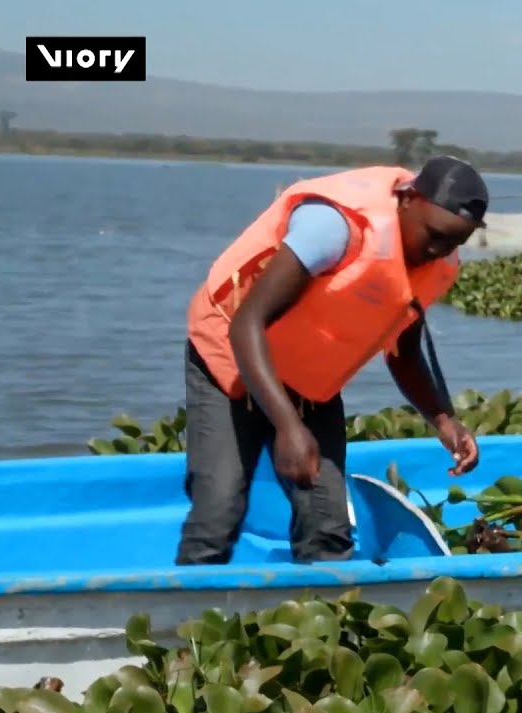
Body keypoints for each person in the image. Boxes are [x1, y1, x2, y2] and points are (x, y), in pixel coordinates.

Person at [176, 155, 489, 565]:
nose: (439, 250)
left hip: (307, 380)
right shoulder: (333, 228)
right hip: (230, 362)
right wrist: (288, 427)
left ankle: (318, 621)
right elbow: (246, 324)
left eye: (454, 242)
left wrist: (443, 419)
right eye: (434, 234)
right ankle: (188, 621)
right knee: (218, 512)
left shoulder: (431, 263)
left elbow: (404, 350)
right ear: (408, 200)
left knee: (327, 529)